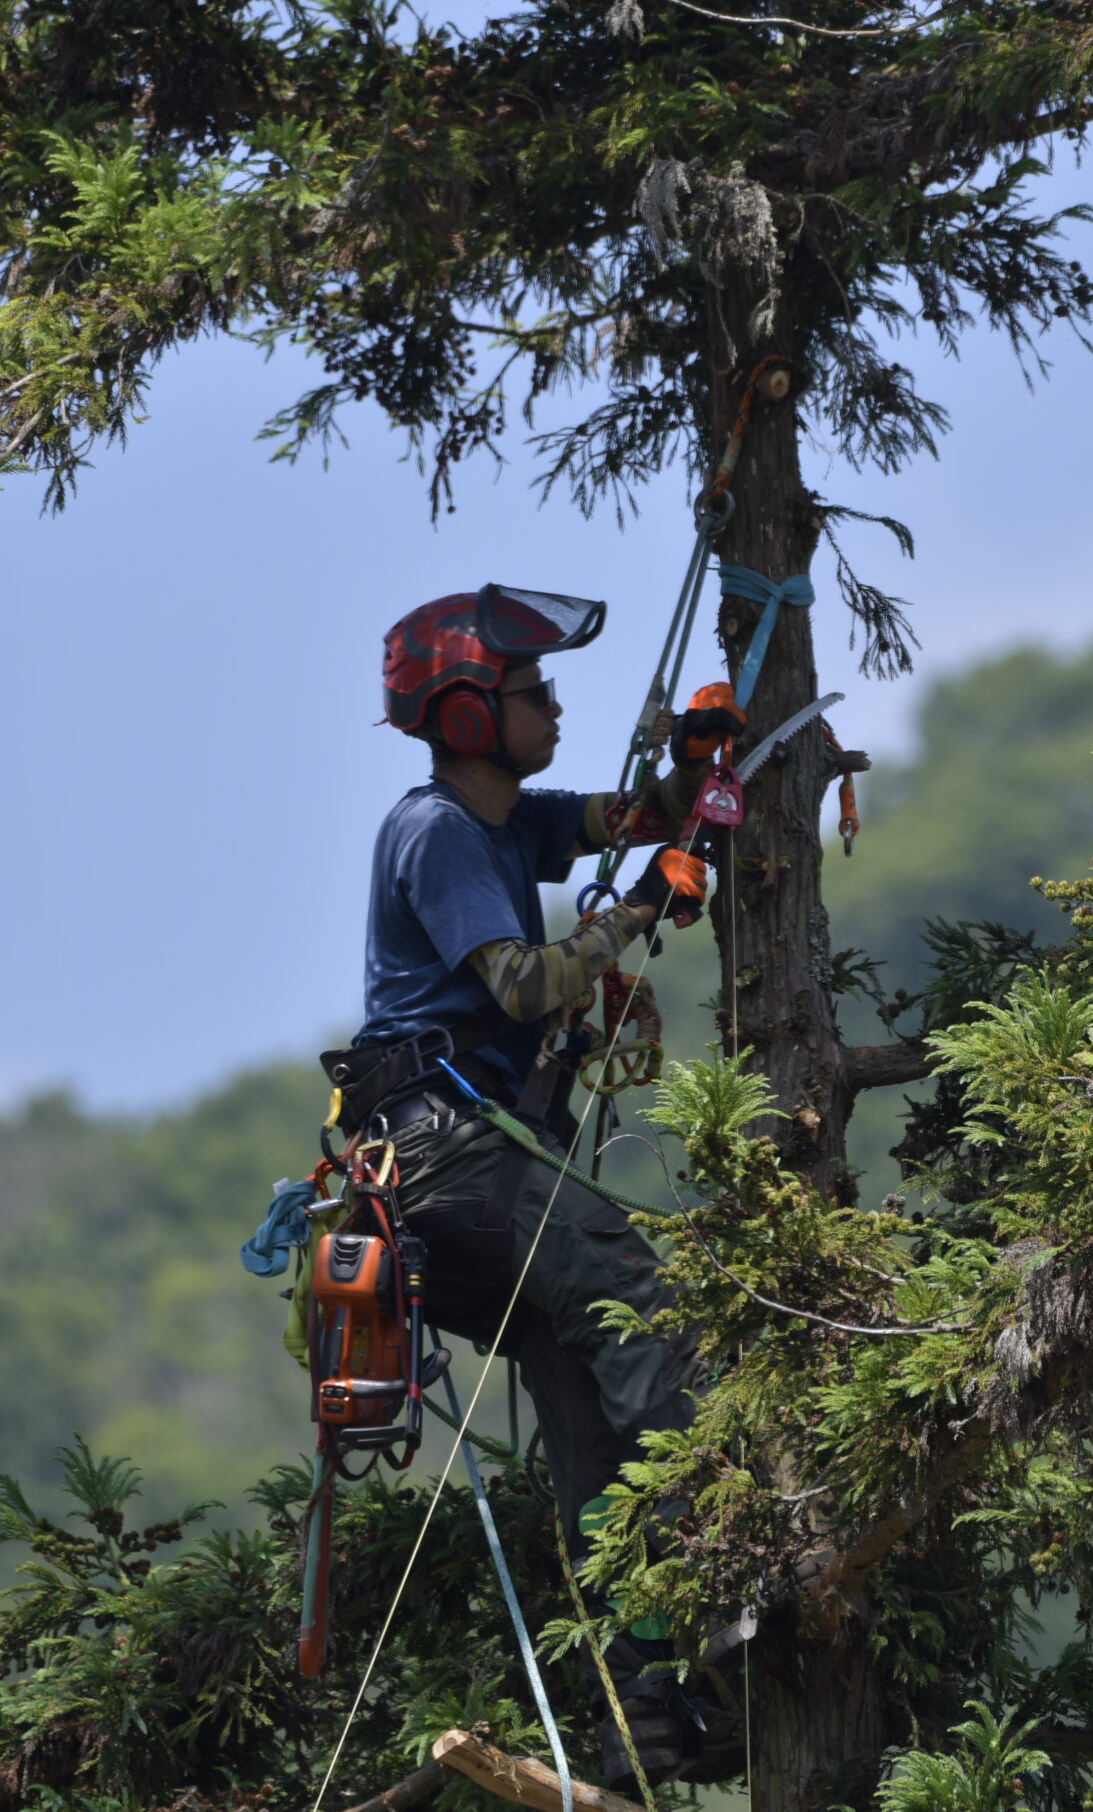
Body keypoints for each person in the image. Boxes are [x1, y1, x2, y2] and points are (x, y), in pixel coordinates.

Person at [328, 582, 742, 1787]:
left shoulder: (508, 823)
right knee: (632, 1286)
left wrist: (688, 769)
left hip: (463, 1170)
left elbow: (628, 817)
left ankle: (648, 1704)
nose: (554, 706)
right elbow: (518, 984)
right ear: (466, 716)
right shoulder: (438, 829)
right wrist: (634, 915)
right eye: (531, 692)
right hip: (447, 1156)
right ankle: (727, 1549)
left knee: (586, 1390)